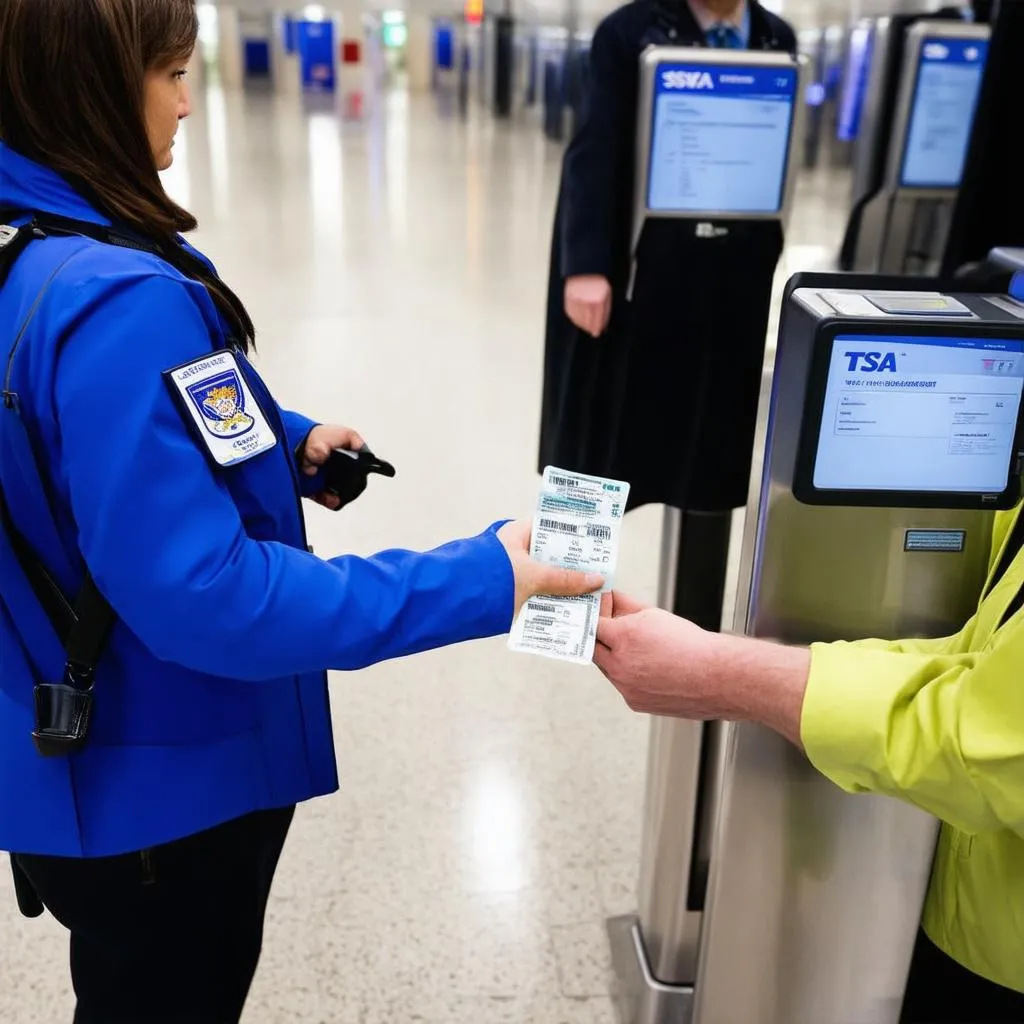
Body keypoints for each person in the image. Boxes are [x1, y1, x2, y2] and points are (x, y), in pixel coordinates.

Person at [0, 2, 603, 1021]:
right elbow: (214, 602)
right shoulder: (118, 294)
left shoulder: (35, 251)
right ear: (92, 87)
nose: (188, 101)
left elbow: (82, 429)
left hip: (71, 768)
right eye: (168, 73)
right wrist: (486, 575)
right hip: (164, 797)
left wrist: (289, 442)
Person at [594, 502, 1024, 1022]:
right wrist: (729, 661)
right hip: (970, 920)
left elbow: (989, 742)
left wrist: (722, 673)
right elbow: (975, 660)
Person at [538, 0, 798, 513]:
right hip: (631, 266)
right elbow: (595, 148)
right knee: (597, 444)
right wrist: (586, 265)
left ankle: (694, 586)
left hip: (730, 271)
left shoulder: (775, 37)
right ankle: (569, 586)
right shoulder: (628, 32)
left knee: (709, 437)